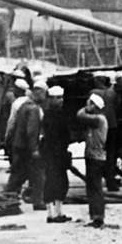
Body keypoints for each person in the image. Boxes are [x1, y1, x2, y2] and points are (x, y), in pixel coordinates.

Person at [5, 82, 46, 210]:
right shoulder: (33, 109)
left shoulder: (24, 105)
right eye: (45, 94)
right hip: (28, 148)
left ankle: (7, 197)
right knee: (39, 176)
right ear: (39, 93)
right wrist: (34, 149)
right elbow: (31, 131)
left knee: (18, 175)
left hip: (20, 145)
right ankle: (38, 202)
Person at [74, 94, 109, 228]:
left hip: (95, 157)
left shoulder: (98, 119)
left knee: (95, 188)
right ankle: (95, 216)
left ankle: (98, 217)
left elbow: (80, 115)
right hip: (93, 155)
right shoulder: (98, 119)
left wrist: (86, 108)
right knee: (92, 187)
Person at [40, 83, 72, 222]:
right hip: (53, 154)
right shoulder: (49, 116)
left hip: (58, 153)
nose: (60, 100)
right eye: (57, 98)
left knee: (62, 182)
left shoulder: (57, 115)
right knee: (52, 182)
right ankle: (51, 213)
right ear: (50, 99)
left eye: (61, 97)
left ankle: (58, 212)